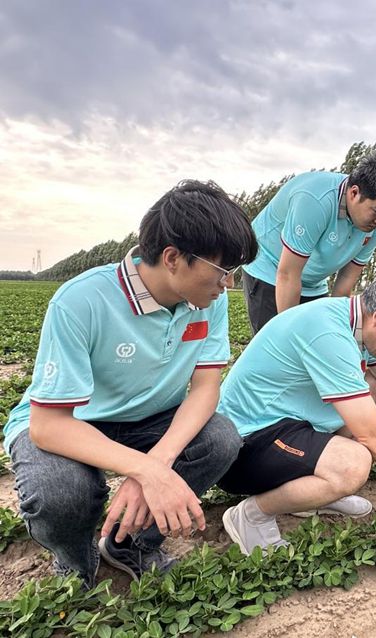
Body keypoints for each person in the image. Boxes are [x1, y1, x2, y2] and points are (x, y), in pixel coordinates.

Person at [5, 180, 258, 587]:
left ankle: (130, 544)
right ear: (173, 258)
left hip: (151, 417)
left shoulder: (208, 303)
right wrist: (146, 470)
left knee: (221, 439)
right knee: (60, 492)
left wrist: (155, 466)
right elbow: (48, 425)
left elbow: (206, 388)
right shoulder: (81, 300)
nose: (227, 284)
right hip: (75, 421)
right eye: (221, 270)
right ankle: (75, 563)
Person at [217, 273, 376, 554]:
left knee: (375, 385)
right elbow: (372, 434)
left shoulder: (357, 324)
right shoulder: (328, 331)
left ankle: (315, 494)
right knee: (352, 464)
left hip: (287, 427)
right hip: (246, 447)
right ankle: (252, 514)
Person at [242, 153, 376, 334]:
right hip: (271, 270)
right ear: (354, 193)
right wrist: (289, 336)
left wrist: (340, 332)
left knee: (319, 342)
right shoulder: (315, 200)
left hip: (314, 282)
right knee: (277, 346)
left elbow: (345, 283)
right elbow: (288, 274)